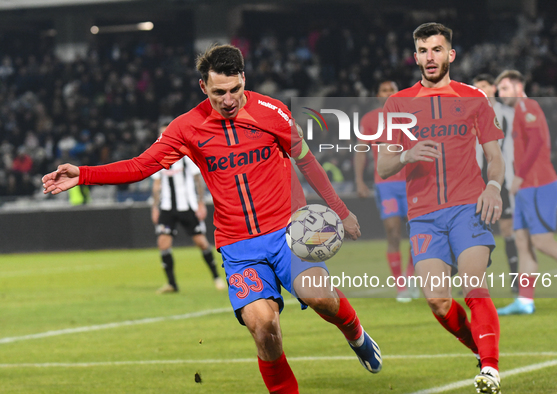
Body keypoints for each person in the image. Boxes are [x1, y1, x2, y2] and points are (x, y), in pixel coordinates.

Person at [43, 44, 382, 393]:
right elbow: (141, 165)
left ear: (244, 79)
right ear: (203, 87)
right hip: (239, 246)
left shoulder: (272, 111)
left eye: (236, 89)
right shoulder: (187, 127)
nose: (230, 99)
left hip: (287, 232)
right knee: (264, 328)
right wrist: (83, 174)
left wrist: (341, 211)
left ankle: (355, 334)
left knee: (320, 297)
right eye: (220, 92)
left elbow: (307, 160)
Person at [377, 23, 504, 393]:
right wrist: (407, 154)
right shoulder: (398, 104)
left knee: (472, 284)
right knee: (436, 300)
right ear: (414, 56)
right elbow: (383, 166)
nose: (429, 57)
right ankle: (481, 351)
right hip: (424, 216)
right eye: (422, 50)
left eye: (436, 50)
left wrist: (493, 188)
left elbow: (495, 157)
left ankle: (491, 369)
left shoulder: (474, 98)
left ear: (450, 55)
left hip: (468, 206)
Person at [495, 70, 557, 315]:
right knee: (522, 242)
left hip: (539, 184)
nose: (501, 93)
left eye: (505, 88)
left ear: (518, 86)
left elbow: (537, 142)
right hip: (528, 187)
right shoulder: (520, 110)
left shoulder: (527, 106)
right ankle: (525, 301)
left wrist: (518, 176)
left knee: (542, 241)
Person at [354, 79, 418, 302]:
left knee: (416, 232)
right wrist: (359, 181)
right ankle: (401, 285)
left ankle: (411, 276)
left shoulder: (411, 115)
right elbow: (361, 151)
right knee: (393, 232)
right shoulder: (370, 119)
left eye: (392, 89)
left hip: (412, 181)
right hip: (386, 184)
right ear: (378, 95)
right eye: (384, 90)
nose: (388, 93)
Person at [150, 126, 225, 293]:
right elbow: (156, 185)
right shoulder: (157, 157)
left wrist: (200, 203)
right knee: (163, 243)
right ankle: (172, 284)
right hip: (167, 208)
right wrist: (155, 208)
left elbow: (198, 179)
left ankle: (216, 277)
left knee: (201, 242)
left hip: (188, 207)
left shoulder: (186, 155)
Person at [472, 74, 519, 293]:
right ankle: (474, 281)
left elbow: (512, 148)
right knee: (477, 230)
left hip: (502, 180)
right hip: (475, 181)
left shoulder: (506, 114)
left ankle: (515, 279)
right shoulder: (468, 115)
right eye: (476, 87)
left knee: (507, 228)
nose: (481, 90)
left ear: (492, 88)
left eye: (484, 86)